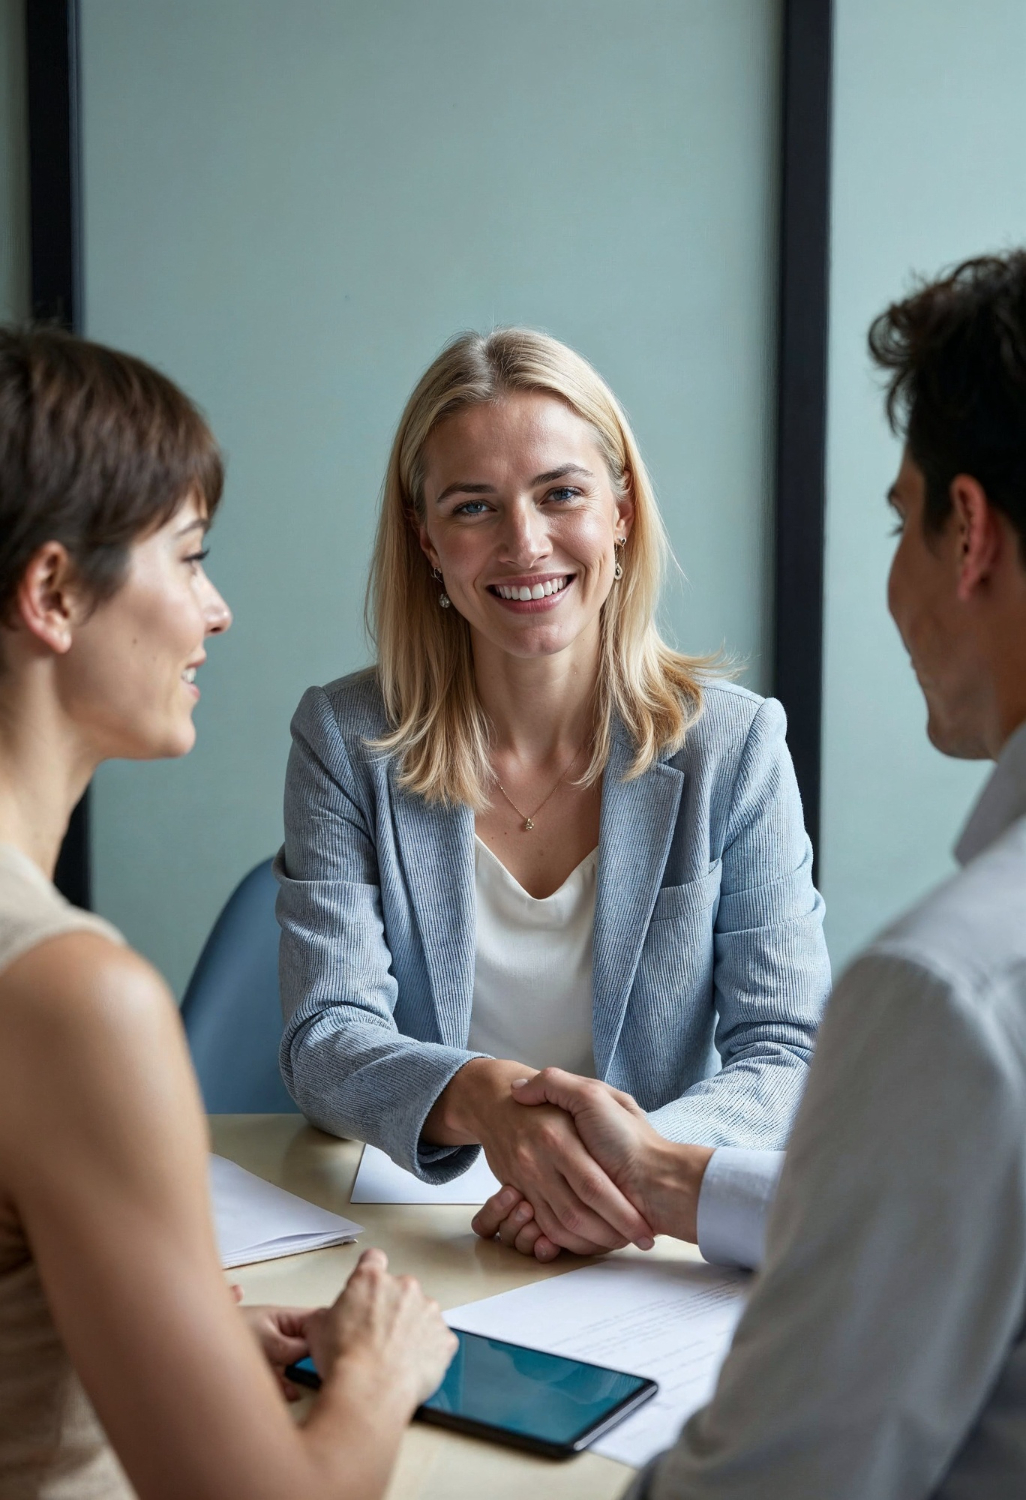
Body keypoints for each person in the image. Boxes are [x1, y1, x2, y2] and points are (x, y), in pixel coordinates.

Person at [477, 249, 1026, 1495]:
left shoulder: (953, 994)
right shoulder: (345, 736)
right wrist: (658, 1178)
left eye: (901, 519)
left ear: (970, 532)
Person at [0, 325, 456, 1500]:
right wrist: (376, 1372)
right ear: (53, 592)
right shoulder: (68, 997)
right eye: (189, 557)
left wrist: (169, 1344)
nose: (216, 612)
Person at [275, 328, 831, 1261]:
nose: (524, 544)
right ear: (426, 541)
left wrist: (624, 1168)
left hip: (654, 1233)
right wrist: (488, 1102)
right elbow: (325, 1037)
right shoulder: (344, 738)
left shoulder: (735, 746)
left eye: (561, 493)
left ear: (620, 510)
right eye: (473, 507)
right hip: (427, 1230)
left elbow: (788, 1046)